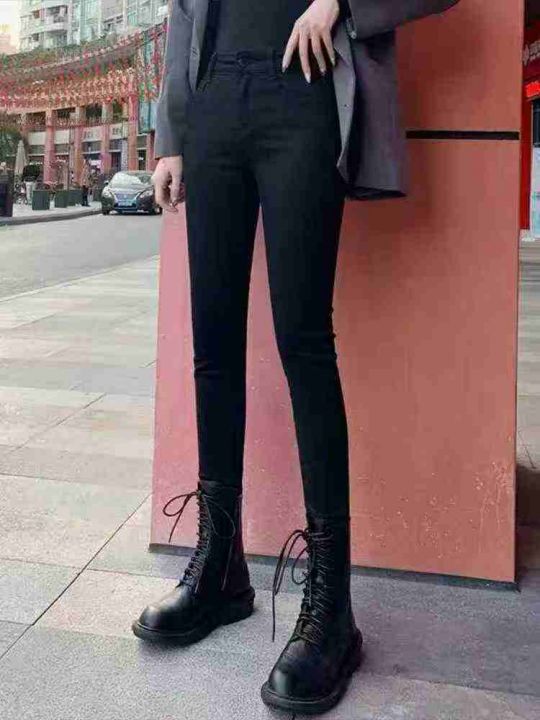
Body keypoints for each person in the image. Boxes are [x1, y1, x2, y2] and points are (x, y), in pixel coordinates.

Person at [132, 0, 461, 715]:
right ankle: (220, 569)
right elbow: (185, 13)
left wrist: (340, 2)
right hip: (214, 100)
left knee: (304, 344)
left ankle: (332, 611)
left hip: (302, 93)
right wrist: (172, 137)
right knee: (213, 345)